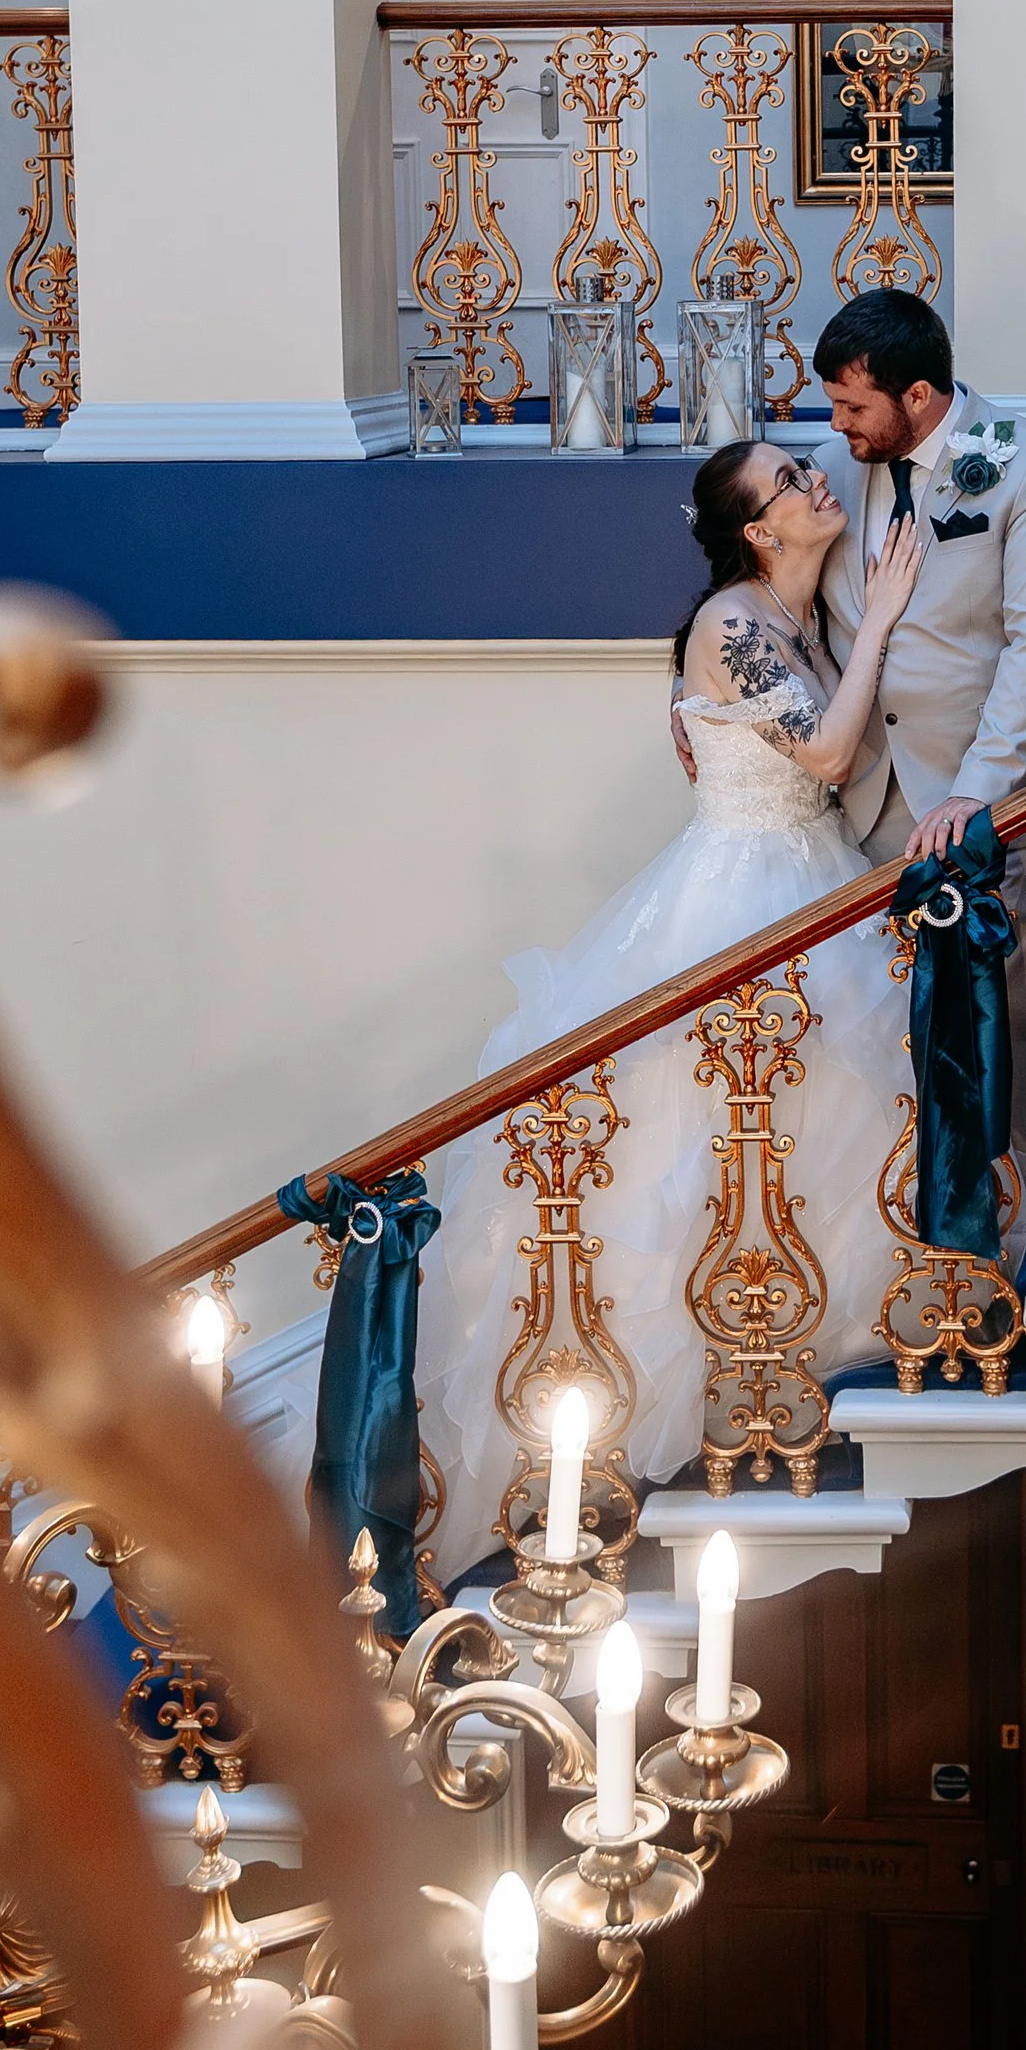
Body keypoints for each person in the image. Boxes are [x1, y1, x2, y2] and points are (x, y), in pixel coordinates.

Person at [421, 436, 924, 1586]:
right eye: (791, 482)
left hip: (807, 877)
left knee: (798, 1143)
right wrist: (886, 618)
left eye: (805, 468)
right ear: (758, 531)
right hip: (740, 892)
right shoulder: (737, 625)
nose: (813, 483)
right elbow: (835, 752)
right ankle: (661, 1412)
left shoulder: (789, 613)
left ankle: (772, 1373)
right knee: (683, 1153)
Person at [810, 288, 1026, 1254]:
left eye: (854, 408)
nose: (835, 427)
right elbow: (774, 604)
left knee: (994, 1027)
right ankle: (892, 1243)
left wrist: (980, 791)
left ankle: (1003, 1238)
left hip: (995, 813)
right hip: (863, 805)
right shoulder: (830, 472)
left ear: (922, 395)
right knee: (877, 1035)